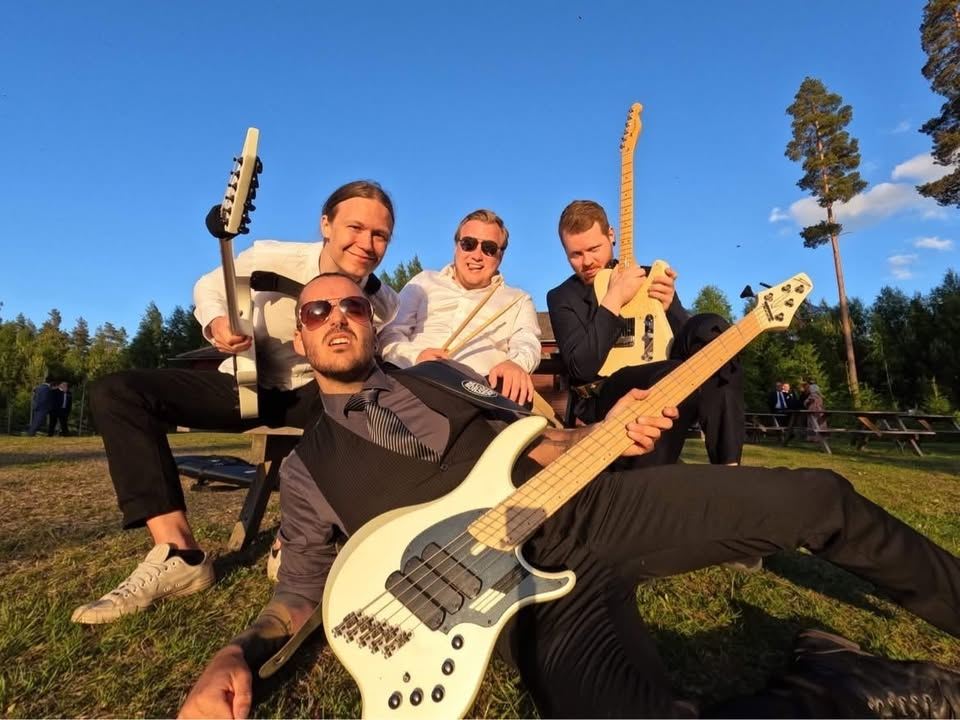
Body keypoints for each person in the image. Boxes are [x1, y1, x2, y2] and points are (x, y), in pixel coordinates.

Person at [180, 273, 960, 719]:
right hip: (515, 599)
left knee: (818, 496)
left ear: (372, 324)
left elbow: (543, 443)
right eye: (318, 311)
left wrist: (607, 432)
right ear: (300, 336)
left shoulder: (441, 378)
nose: (338, 317)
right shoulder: (308, 468)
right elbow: (299, 592)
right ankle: (835, 685)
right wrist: (234, 653)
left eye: (353, 305)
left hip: (589, 508)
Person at [71, 180, 400, 625]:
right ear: (326, 224)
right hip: (245, 382)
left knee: (357, 402)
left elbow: (393, 347)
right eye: (355, 228)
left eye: (380, 235)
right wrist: (217, 322)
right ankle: (179, 554)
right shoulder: (273, 256)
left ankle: (298, 540)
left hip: (313, 392)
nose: (366, 243)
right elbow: (210, 287)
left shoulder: (383, 302)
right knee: (117, 392)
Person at [546, 200, 743, 467]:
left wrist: (669, 308)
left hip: (666, 370)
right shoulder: (562, 297)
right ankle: (651, 480)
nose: (587, 261)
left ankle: (728, 465)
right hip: (606, 393)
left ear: (611, 235)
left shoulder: (650, 277)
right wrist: (614, 298)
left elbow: (683, 343)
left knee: (713, 330)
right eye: (575, 255)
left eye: (593, 249)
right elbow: (581, 367)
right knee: (671, 373)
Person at [380, 209, 541, 405]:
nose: (477, 255)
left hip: (477, 394)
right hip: (413, 381)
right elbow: (390, 334)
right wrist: (415, 357)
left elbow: (527, 343)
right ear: (456, 246)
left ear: (501, 255)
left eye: (489, 248)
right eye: (468, 244)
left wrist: (516, 363)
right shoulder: (423, 281)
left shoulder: (517, 300)